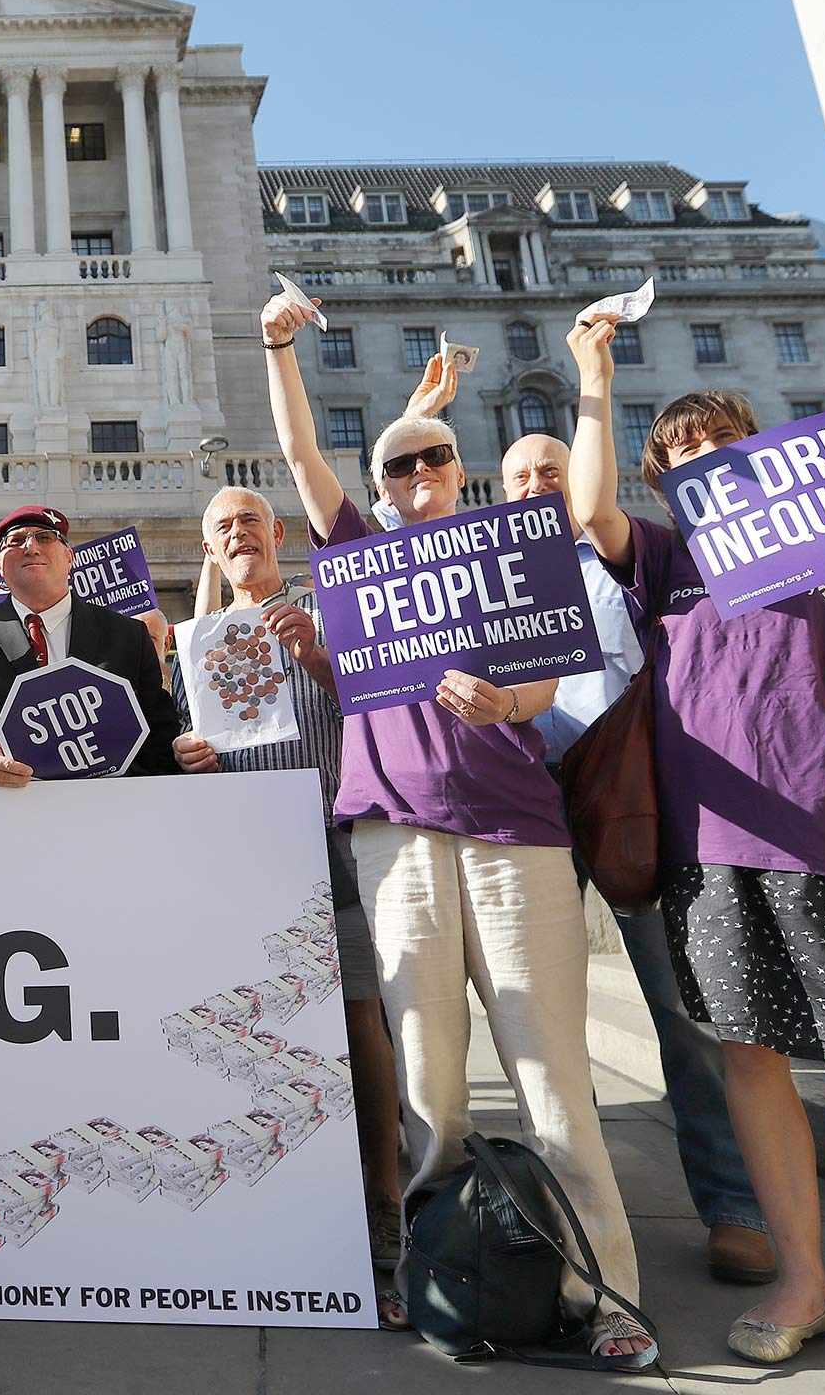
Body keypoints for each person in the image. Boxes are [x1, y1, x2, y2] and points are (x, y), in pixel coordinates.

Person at [564, 318, 825, 1387]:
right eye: (681, 454)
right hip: (711, 847)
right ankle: (804, 1278)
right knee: (749, 1061)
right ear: (664, 480)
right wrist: (595, 380)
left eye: (717, 443)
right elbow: (586, 509)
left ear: (757, 453)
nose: (701, 460)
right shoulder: (659, 559)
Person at [261, 293, 653, 1365]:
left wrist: (505, 704)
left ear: (459, 468)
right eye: (399, 466)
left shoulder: (508, 547)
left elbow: (542, 687)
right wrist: (279, 347)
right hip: (393, 837)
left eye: (436, 458)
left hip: (514, 831)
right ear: (380, 486)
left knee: (551, 1077)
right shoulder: (355, 554)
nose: (419, 475)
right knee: (430, 1084)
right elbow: (298, 450)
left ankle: (608, 1288)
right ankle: (445, 1277)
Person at [502, 432, 775, 1286]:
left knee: (685, 1015)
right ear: (502, 492)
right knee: (537, 1029)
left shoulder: (627, 555)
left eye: (553, 468)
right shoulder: (483, 580)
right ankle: (571, 1214)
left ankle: (734, 1205)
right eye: (521, 475)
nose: (539, 484)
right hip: (526, 807)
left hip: (630, 800)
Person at [170, 486, 405, 1280]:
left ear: (277, 533)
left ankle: (384, 1192)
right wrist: (187, 755)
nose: (238, 534)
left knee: (360, 1019)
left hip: (337, 844)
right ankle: (281, 1188)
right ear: (210, 550)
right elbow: (186, 738)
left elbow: (383, 711)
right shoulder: (197, 640)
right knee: (258, 1031)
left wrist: (316, 659)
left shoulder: (328, 612)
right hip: (245, 862)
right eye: (222, 527)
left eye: (249, 521)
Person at [0, 505, 181, 787]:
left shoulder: (127, 635)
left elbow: (159, 731)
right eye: (15, 541)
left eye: (45, 537)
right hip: (6, 811)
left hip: (110, 809)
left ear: (69, 557)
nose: (31, 547)